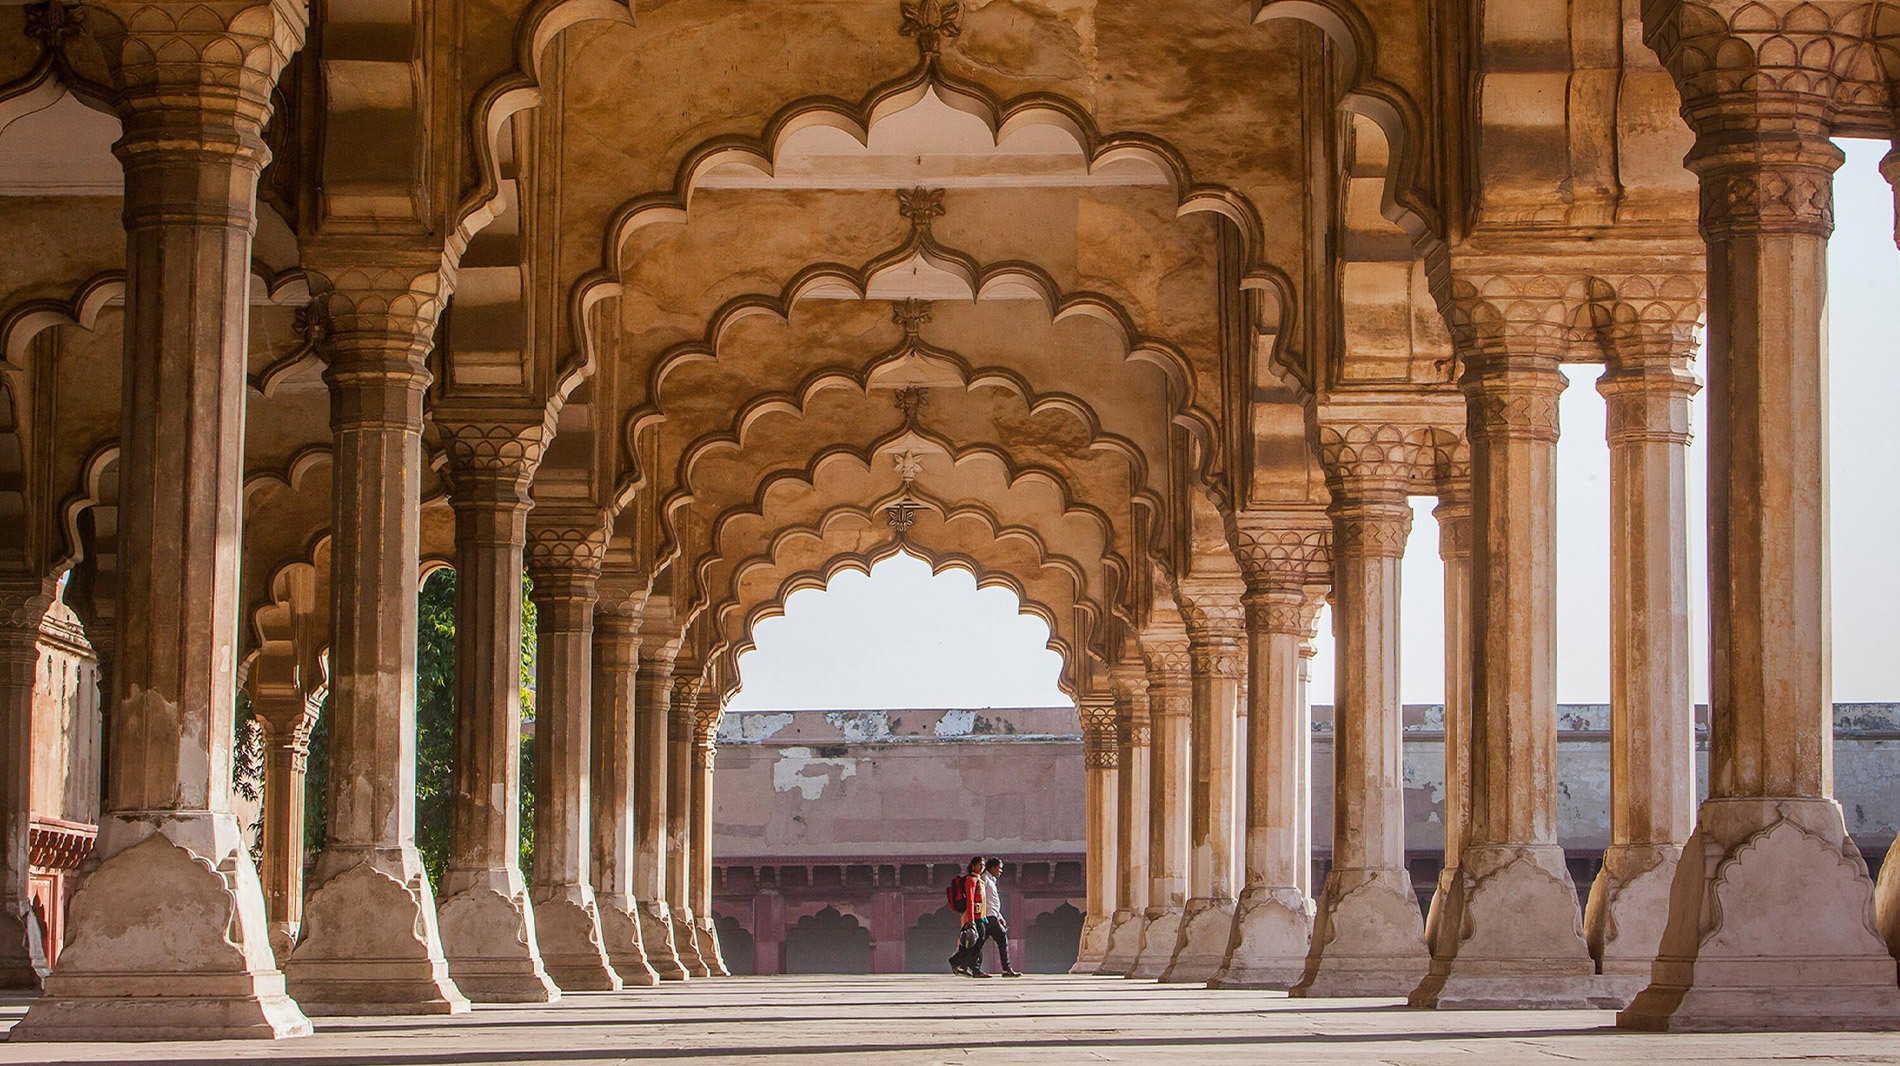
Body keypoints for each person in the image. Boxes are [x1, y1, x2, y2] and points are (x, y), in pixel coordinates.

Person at [947, 856, 991, 977]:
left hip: (980, 915)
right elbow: (970, 900)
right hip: (974, 917)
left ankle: (963, 964)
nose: (982, 867)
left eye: (983, 866)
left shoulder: (979, 880)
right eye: (979, 865)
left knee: (976, 942)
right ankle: (966, 965)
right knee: (977, 942)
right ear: (973, 866)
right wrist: (971, 919)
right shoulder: (971, 880)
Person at [980, 857, 1023, 977]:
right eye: (999, 868)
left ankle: (961, 962)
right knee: (1002, 938)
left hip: (992, 915)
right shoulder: (984, 879)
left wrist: (1000, 916)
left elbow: (992, 901)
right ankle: (1006, 969)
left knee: (978, 942)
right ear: (992, 868)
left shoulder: (990, 880)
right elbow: (981, 899)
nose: (1000, 871)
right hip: (988, 915)